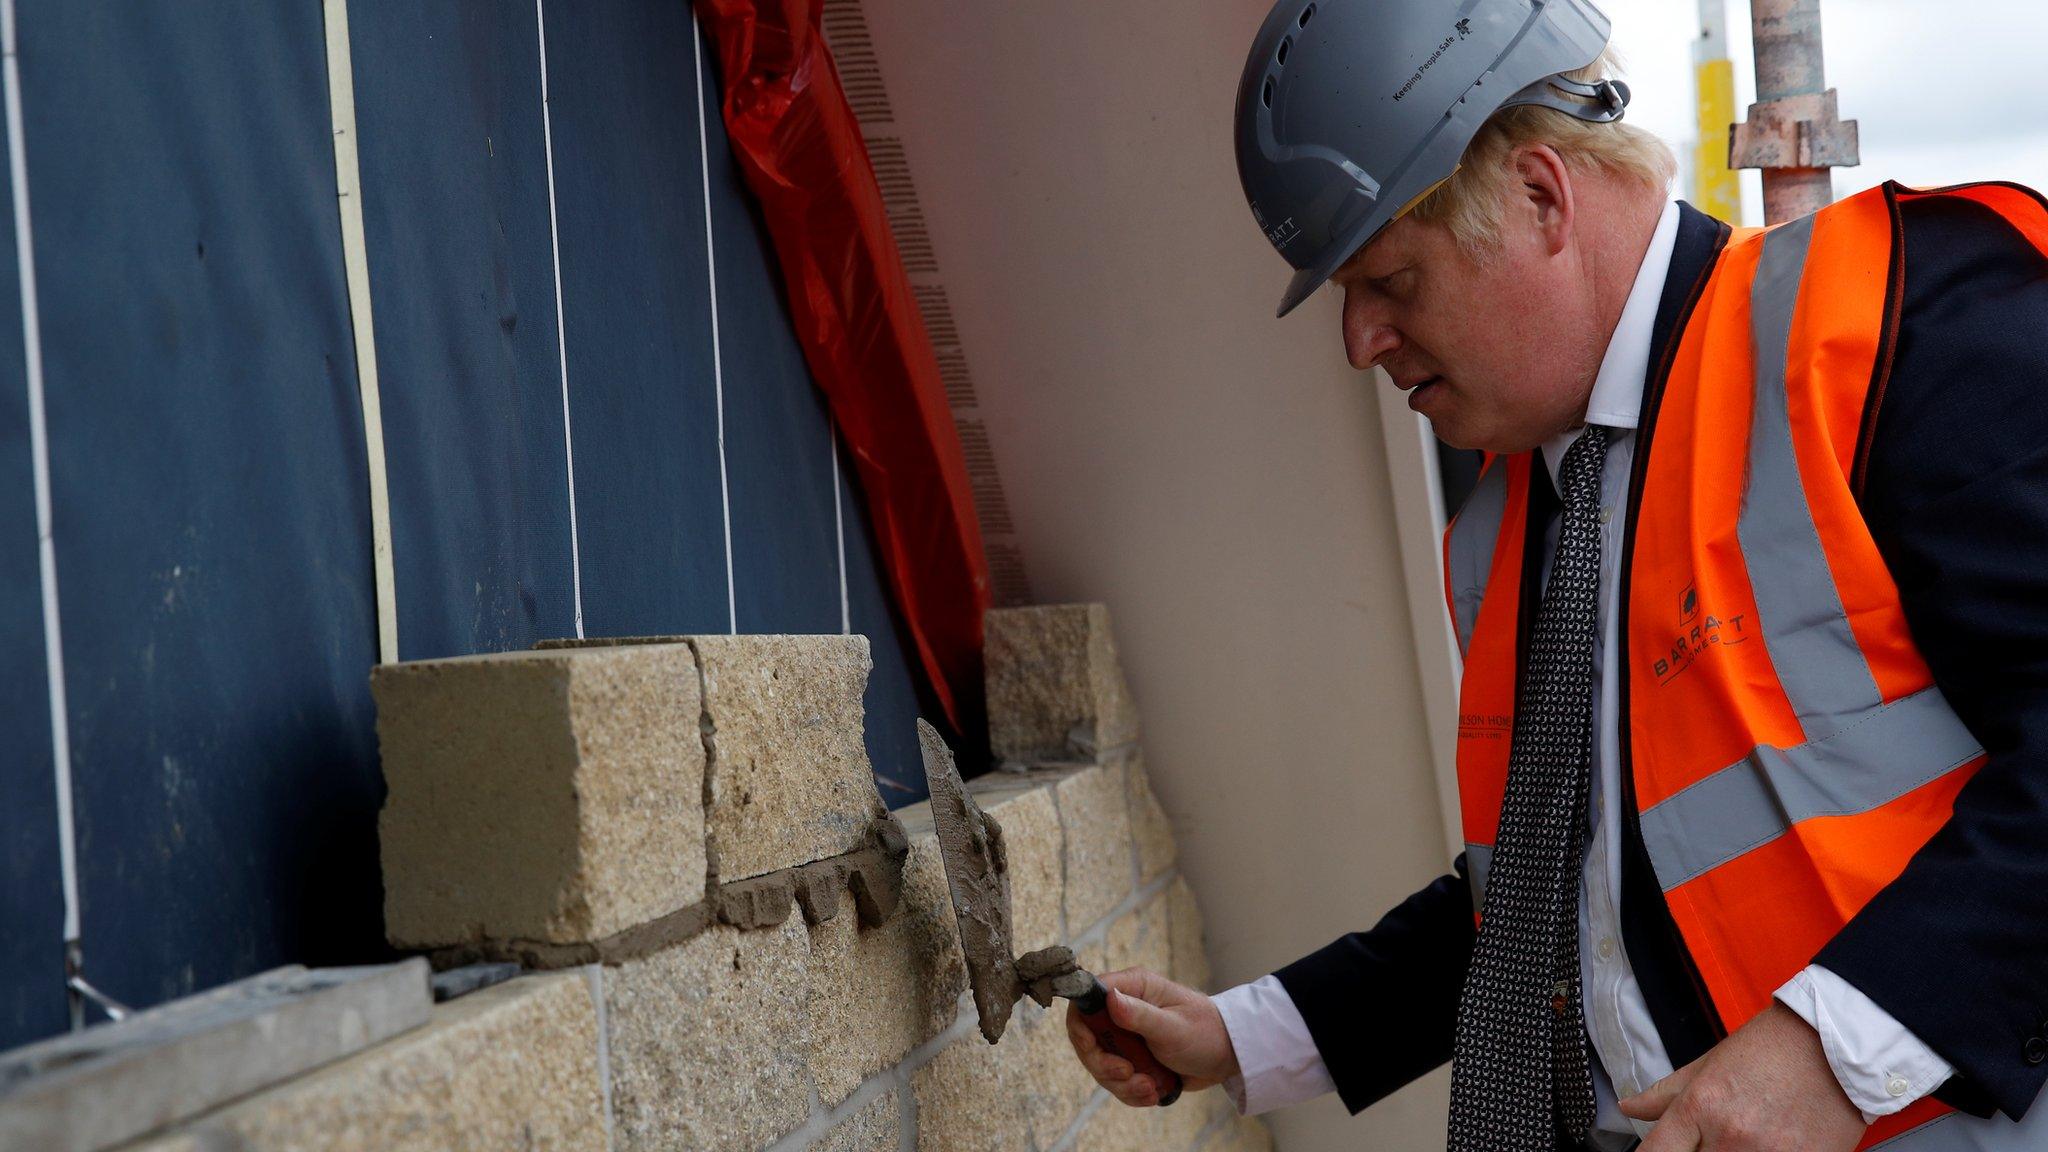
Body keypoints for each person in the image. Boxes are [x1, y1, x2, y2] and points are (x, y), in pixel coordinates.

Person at [1061, 0, 2048, 1148]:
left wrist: (1835, 1045)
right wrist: (1254, 1034)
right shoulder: (1516, 516)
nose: (1359, 342)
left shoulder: (1884, 325)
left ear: (1539, 198)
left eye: (1389, 281)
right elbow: (1549, 894)